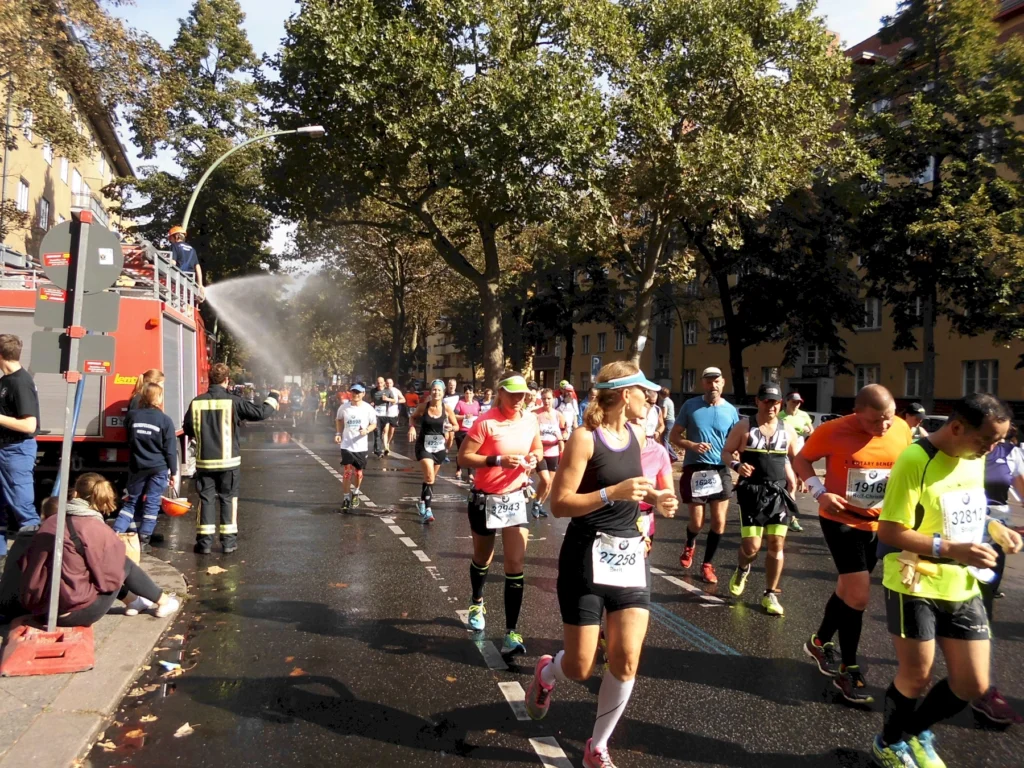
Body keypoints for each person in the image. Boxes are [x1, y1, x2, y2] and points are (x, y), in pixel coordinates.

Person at [524, 362, 678, 768]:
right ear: (625, 394)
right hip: (585, 556)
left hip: (629, 555)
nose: (651, 397)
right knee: (579, 666)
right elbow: (559, 504)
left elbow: (637, 493)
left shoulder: (639, 433)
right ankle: (547, 673)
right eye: (645, 391)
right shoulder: (583, 438)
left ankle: (598, 746)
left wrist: (657, 501)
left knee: (627, 658)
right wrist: (611, 493)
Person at [872, 394, 1023, 768]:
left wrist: (996, 528)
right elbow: (890, 531)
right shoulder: (915, 460)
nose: (991, 449)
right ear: (956, 427)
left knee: (972, 683)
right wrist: (949, 547)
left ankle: (915, 731)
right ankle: (888, 743)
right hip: (913, 581)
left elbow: (963, 510)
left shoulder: (974, 456)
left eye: (997, 442)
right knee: (917, 674)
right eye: (986, 440)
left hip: (962, 582)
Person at [794, 384, 912, 704]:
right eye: (875, 421)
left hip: (878, 522)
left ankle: (819, 643)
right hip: (840, 519)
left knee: (848, 590)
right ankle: (849, 668)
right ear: (857, 413)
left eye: (888, 418)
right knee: (859, 595)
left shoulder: (901, 429)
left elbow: (907, 470)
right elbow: (802, 460)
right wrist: (819, 492)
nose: (883, 426)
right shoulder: (832, 430)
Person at [457, 372, 543, 656]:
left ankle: (511, 633)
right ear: (501, 393)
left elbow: (538, 448)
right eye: (513, 394)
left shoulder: (530, 419)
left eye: (522, 395)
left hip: (515, 498)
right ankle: (477, 599)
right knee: (483, 557)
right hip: (485, 499)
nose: (519, 399)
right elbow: (463, 457)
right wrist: (498, 460)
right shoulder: (486, 421)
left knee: (515, 563)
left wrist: (533, 458)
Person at [20, 474, 180, 625]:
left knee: (87, 567)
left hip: (38, 608)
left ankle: (134, 601)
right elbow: (111, 579)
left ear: (75, 493)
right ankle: (163, 601)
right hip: (70, 614)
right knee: (122, 563)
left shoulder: (52, 521)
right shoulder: (95, 528)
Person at [184, 363, 278, 555]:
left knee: (206, 499)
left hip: (205, 462)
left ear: (210, 379)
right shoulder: (234, 401)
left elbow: (188, 429)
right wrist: (273, 397)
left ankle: (204, 544)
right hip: (229, 462)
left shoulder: (196, 402)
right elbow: (261, 413)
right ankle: (228, 543)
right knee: (228, 499)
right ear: (227, 380)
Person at [723, 383, 800, 616]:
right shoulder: (744, 427)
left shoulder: (788, 430)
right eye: (767, 401)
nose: (771, 406)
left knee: (776, 545)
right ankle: (743, 567)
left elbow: (796, 459)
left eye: (775, 402)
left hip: (777, 493)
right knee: (752, 547)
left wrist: (800, 480)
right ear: (757, 401)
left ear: (781, 404)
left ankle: (770, 594)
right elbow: (726, 452)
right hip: (752, 492)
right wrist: (737, 465)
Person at [971, 426, 1024, 724]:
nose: (995, 441)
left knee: (985, 603)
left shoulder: (1011, 454)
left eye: (1001, 435)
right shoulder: (961, 454)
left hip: (995, 534)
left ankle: (982, 687)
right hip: (959, 534)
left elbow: (1022, 487)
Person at [670, 366, 739, 584]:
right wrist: (691, 444)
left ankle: (707, 564)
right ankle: (690, 544)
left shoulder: (730, 410)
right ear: (703, 383)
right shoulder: (691, 406)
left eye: (716, 381)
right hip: (695, 469)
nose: (713, 385)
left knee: (719, 523)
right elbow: (673, 435)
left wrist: (737, 453)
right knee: (697, 522)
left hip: (720, 470)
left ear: (723, 383)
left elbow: (736, 440)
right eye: (709, 382)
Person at [113, 383, 177, 549]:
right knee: (152, 502)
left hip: (137, 466)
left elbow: (128, 439)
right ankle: (144, 538)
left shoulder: (133, 416)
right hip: (158, 467)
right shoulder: (165, 420)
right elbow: (170, 450)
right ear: (158, 398)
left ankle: (116, 533)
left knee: (131, 501)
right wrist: (174, 472)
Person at [0, 334, 40, 559]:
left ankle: (35, 562)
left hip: (16, 451)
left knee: (24, 509)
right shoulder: (5, 380)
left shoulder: (21, 382)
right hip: (5, 450)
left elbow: (29, 424)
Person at [408, 380, 458, 523]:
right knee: (429, 476)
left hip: (439, 448)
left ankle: (423, 502)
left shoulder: (447, 409)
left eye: (439, 390)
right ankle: (428, 511)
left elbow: (456, 426)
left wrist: (451, 428)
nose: (436, 392)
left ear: (443, 393)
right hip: (424, 446)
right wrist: (411, 427)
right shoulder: (423, 406)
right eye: (434, 390)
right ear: (431, 392)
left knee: (430, 479)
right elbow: (412, 417)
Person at [335, 384, 377, 511]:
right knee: (347, 472)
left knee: (358, 473)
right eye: (353, 392)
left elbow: (373, 424)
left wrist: (367, 430)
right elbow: (338, 419)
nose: (355, 394)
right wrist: (338, 433)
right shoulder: (344, 407)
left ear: (363, 393)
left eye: (358, 392)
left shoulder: (368, 408)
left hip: (360, 445)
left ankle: (356, 491)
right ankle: (346, 497)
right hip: (347, 444)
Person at [779, 391, 814, 532]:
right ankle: (785, 515)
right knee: (790, 484)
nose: (796, 404)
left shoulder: (803, 415)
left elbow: (812, 431)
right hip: (783, 452)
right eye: (794, 401)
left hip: (799, 451)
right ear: (786, 402)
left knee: (792, 485)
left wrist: (807, 430)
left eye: (798, 402)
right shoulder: (780, 416)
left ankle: (791, 517)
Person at [534, 388, 567, 519]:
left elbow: (565, 432)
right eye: (544, 398)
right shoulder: (535, 414)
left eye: (549, 398)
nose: (546, 401)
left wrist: (561, 437)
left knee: (549, 484)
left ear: (553, 399)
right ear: (541, 399)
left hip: (553, 452)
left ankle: (539, 504)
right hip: (540, 451)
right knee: (545, 480)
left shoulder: (558, 415)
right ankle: (536, 503)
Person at [453, 386, 481, 483]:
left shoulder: (476, 404)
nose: (468, 395)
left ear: (473, 394)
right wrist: (464, 416)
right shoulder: (460, 403)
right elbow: (454, 416)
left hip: (472, 431)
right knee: (461, 451)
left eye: (470, 393)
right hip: (461, 431)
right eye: (466, 393)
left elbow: (479, 414)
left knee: (470, 452)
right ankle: (458, 470)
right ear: (464, 394)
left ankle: (470, 473)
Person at [168, 226, 204, 299]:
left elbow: (173, 263)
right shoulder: (192, 249)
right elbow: (197, 267)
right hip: (189, 281)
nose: (170, 240)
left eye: (171, 237)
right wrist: (200, 285)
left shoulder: (174, 246)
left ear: (176, 236)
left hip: (177, 278)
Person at [369, 377, 392, 457]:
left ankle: (379, 448)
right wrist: (371, 403)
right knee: (377, 432)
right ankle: (378, 450)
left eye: (381, 383)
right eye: (378, 383)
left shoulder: (388, 391)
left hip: (385, 415)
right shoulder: (373, 391)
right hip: (375, 414)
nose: (379, 384)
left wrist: (387, 399)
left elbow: (394, 400)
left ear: (384, 383)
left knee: (383, 432)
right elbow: (370, 400)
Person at [659, 387, 677, 461]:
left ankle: (665, 458)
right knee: (666, 440)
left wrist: (660, 420)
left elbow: (664, 415)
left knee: (664, 441)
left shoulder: (664, 402)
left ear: (661, 394)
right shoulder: (670, 401)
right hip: (672, 421)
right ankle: (673, 456)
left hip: (667, 422)